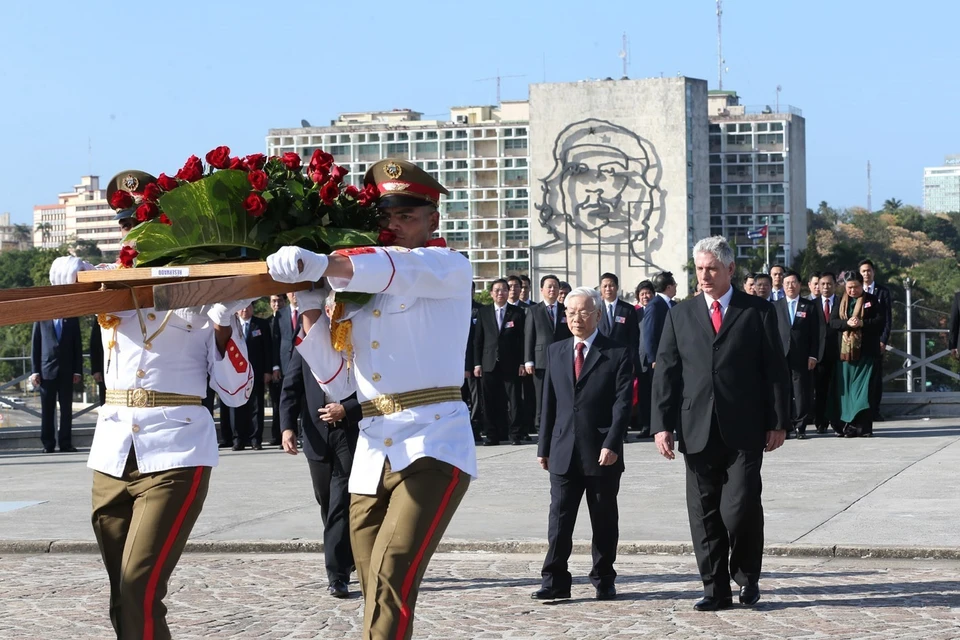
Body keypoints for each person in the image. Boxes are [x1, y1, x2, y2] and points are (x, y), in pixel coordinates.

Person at [266, 158, 475, 640]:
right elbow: (338, 379)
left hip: (432, 441)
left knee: (389, 574)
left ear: (433, 220)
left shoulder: (446, 266)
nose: (395, 226)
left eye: (407, 215)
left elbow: (394, 267)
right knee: (372, 583)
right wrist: (312, 305)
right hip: (373, 445)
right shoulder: (360, 292)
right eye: (386, 216)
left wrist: (323, 263)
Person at [49, 170, 255, 640]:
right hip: (113, 451)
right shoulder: (109, 285)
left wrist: (224, 325)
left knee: (138, 585)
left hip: (176, 451)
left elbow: (236, 392)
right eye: (126, 223)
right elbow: (70, 288)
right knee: (123, 594)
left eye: (144, 221)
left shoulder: (203, 293)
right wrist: (66, 276)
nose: (133, 232)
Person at [651, 236, 789, 611]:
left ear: (730, 269)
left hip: (745, 426)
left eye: (712, 268)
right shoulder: (680, 314)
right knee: (704, 512)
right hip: (696, 427)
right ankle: (715, 589)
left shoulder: (758, 311)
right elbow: (667, 372)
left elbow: (775, 370)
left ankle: (747, 575)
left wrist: (778, 420)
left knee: (740, 507)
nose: (704, 276)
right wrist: (661, 425)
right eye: (699, 269)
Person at [534, 287, 632, 601]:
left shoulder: (616, 352)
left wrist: (612, 443)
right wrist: (543, 446)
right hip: (563, 450)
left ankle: (604, 577)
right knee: (559, 520)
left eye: (584, 312)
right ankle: (554, 580)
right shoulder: (557, 350)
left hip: (601, 451)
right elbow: (549, 402)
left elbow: (622, 404)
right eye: (571, 312)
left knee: (604, 520)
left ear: (598, 315)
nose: (577, 318)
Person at [280, 348, 359, 598]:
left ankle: (337, 576)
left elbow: (374, 389)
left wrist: (347, 408)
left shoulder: (355, 341)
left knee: (340, 502)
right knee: (325, 500)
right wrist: (287, 427)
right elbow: (291, 388)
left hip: (349, 433)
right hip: (316, 436)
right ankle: (346, 553)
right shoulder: (306, 346)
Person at [828, 270, 883, 438]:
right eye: (849, 288)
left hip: (866, 354)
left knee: (863, 392)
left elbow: (880, 322)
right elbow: (833, 323)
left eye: (856, 287)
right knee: (847, 392)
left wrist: (862, 323)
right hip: (845, 356)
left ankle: (864, 427)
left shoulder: (872, 301)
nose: (852, 291)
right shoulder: (840, 301)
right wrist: (847, 323)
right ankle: (848, 426)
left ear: (862, 286)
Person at [474, 278, 527, 445]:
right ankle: (491, 435)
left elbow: (523, 339)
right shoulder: (483, 312)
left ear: (508, 292)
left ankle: (515, 434)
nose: (500, 293)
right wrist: (477, 364)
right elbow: (478, 340)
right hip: (489, 363)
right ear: (491, 293)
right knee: (489, 401)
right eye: (496, 290)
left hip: (511, 363)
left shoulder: (517, 313)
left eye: (504, 289)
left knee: (514, 400)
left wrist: (522, 363)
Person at [775, 270, 824, 439]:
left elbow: (816, 333)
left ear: (800, 285)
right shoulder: (776, 306)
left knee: (801, 391)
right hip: (781, 356)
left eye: (793, 282)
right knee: (783, 392)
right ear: (783, 285)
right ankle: (785, 425)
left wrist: (813, 355)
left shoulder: (809, 306)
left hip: (802, 356)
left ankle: (800, 426)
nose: (790, 286)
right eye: (787, 283)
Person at [524, 274, 572, 433]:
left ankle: (559, 427)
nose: (552, 289)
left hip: (562, 359)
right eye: (549, 286)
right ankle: (541, 429)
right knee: (541, 397)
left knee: (561, 394)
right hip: (541, 360)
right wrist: (528, 360)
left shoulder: (566, 310)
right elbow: (529, 336)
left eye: (555, 287)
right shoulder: (534, 310)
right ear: (542, 289)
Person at [31, 316, 83, 453]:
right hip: (46, 372)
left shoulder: (72, 319)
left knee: (66, 410)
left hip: (67, 372)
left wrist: (78, 371)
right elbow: (35, 346)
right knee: (47, 410)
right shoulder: (41, 319)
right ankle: (48, 444)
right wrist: (34, 371)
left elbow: (78, 345)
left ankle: (65, 443)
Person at [638, 271, 676, 438]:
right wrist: (652, 358)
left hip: (669, 358)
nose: (676, 288)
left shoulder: (671, 304)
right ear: (668, 287)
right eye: (674, 285)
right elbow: (649, 334)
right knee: (657, 393)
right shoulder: (654, 305)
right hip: (657, 360)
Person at [231, 303, 273, 450]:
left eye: (248, 306)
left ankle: (256, 439)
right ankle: (238, 439)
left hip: (257, 372)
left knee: (257, 406)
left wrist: (268, 370)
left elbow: (268, 348)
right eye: (241, 306)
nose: (244, 309)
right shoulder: (231, 325)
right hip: (237, 373)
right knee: (238, 407)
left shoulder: (261, 324)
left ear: (252, 308)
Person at [858, 259, 892, 419]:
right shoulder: (855, 290)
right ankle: (861, 410)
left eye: (869, 270)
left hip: (876, 341)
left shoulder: (883, 292)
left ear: (873, 272)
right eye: (863, 271)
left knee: (876, 378)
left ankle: (875, 410)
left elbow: (887, 319)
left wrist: (883, 340)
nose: (866, 273)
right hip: (857, 342)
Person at [814, 272, 840, 434]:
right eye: (822, 284)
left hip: (838, 353)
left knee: (837, 391)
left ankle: (837, 423)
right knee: (820, 390)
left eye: (829, 284)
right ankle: (820, 422)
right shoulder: (812, 304)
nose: (825, 287)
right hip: (818, 355)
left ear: (835, 285)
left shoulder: (841, 302)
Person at [598, 272, 640, 367]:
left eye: (611, 285)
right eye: (605, 286)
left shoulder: (628, 309)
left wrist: (632, 359)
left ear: (617, 287)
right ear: (600, 288)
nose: (608, 289)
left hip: (622, 358)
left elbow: (634, 337)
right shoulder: (596, 309)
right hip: (600, 358)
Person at [267, 294, 286, 445]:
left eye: (280, 300)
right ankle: (276, 435)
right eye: (274, 301)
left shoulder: (289, 319)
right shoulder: (266, 323)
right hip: (273, 369)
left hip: (289, 367)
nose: (277, 303)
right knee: (276, 403)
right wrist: (273, 368)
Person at [89, 317, 107, 407]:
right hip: (105, 367)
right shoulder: (101, 316)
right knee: (105, 403)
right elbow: (95, 344)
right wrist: (96, 370)